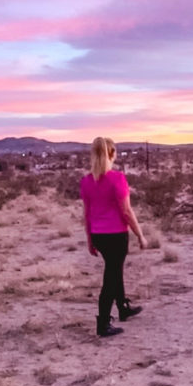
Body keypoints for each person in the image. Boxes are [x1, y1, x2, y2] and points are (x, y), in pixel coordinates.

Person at [80, 136, 148, 337]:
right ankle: (103, 323)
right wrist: (140, 235)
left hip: (99, 236)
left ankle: (123, 307)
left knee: (114, 271)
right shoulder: (117, 179)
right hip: (116, 235)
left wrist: (90, 241)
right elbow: (126, 212)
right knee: (111, 277)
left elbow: (86, 214)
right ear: (112, 154)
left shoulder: (86, 181)